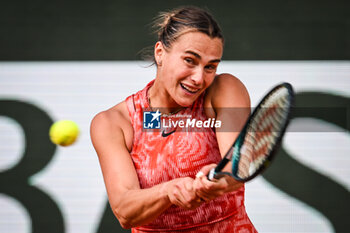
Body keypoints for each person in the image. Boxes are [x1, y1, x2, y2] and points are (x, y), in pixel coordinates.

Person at [90, 6, 257, 233]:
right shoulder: (113, 122)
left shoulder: (224, 89)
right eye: (190, 60)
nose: (199, 78)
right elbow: (124, 211)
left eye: (210, 66)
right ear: (160, 53)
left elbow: (237, 165)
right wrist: (169, 191)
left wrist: (218, 180)